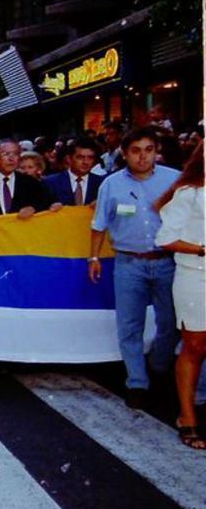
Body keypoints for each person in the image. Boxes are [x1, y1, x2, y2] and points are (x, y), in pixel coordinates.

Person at [89, 126, 184, 408]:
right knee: (129, 325)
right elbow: (98, 225)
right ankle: (137, 383)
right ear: (125, 153)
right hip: (128, 263)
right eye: (135, 151)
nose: (142, 157)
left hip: (166, 262)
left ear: (156, 152)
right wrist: (93, 258)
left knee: (170, 324)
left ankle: (158, 365)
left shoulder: (174, 180)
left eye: (148, 150)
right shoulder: (111, 184)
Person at [154, 142, 206, 448]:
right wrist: (202, 249)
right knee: (195, 346)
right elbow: (166, 238)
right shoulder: (189, 194)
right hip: (194, 276)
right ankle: (187, 417)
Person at [43, 137, 103, 207]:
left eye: (90, 158)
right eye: (80, 157)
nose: (86, 162)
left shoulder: (101, 184)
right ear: (69, 159)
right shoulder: (50, 183)